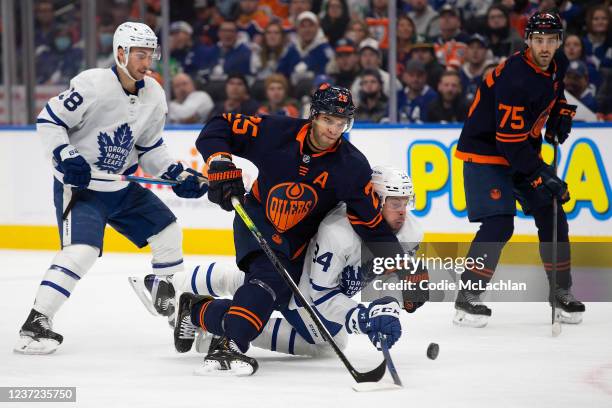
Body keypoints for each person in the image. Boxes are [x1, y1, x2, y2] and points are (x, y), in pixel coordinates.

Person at [182, 84, 428, 375]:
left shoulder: (352, 166)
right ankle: (228, 345)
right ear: (314, 115)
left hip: (297, 243)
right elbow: (219, 125)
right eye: (328, 120)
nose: (334, 130)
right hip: (257, 219)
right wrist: (220, 161)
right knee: (267, 283)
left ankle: (198, 311)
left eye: (341, 123)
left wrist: (400, 265)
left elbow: (371, 225)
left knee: (280, 301)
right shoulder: (276, 131)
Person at [14, 22, 208, 355]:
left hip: (121, 187)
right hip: (82, 188)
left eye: (151, 54)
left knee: (168, 231)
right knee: (82, 251)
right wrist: (64, 153)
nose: (147, 61)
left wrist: (174, 173)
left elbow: (149, 149)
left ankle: (169, 299)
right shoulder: (92, 84)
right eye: (140, 54)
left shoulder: (155, 93)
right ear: (121, 53)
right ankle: (36, 321)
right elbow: (50, 120)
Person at [135, 166, 426, 359]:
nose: (403, 211)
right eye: (395, 202)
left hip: (305, 275)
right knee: (329, 342)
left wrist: (396, 300)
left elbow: (390, 280)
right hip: (302, 286)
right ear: (374, 200)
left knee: (248, 285)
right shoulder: (340, 233)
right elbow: (320, 295)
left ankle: (179, 289)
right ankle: (198, 310)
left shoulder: (410, 231)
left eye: (406, 202)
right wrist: (361, 318)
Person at [453, 12, 584, 328]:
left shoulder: (556, 63)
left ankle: (560, 291)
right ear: (527, 40)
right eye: (538, 40)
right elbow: (509, 143)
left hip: (519, 149)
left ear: (558, 42)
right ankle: (467, 299)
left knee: (552, 212)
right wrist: (541, 174)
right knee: (499, 224)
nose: (544, 46)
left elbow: (554, 89)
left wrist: (559, 114)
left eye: (550, 40)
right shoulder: (515, 78)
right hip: (486, 152)